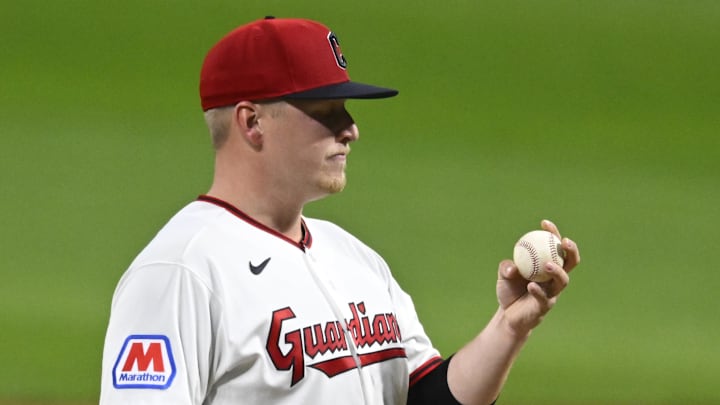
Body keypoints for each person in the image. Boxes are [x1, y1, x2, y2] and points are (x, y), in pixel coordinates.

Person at [99, 16, 580, 405]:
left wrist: (510, 325)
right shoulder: (181, 272)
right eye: (326, 111)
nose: (351, 129)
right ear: (252, 121)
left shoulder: (355, 258)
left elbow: (425, 395)